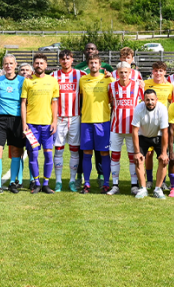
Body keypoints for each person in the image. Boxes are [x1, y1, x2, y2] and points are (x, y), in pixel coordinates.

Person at [21, 54, 60, 193]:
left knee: (49, 155)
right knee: (34, 154)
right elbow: (23, 103)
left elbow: (54, 103)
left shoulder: (53, 81)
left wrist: (54, 121)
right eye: (36, 63)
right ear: (33, 65)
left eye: (41, 63)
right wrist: (24, 123)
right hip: (32, 125)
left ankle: (46, 183)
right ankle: (36, 182)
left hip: (47, 125)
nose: (39, 65)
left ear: (46, 65)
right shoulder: (28, 81)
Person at [78, 54, 114, 194]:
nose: (93, 65)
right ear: (88, 65)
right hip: (86, 121)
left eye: (96, 63)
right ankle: (86, 184)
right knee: (87, 153)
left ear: (100, 65)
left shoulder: (109, 79)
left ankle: (105, 183)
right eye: (91, 63)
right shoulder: (83, 80)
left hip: (103, 121)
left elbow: (113, 98)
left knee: (104, 153)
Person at [0, 54, 27, 194]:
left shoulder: (23, 81)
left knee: (16, 152)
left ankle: (13, 182)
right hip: (0, 120)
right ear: (3, 65)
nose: (8, 66)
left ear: (16, 64)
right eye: (6, 63)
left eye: (11, 63)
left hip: (17, 120)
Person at [51, 50, 85, 192]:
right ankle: (58, 181)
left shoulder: (80, 75)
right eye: (63, 59)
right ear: (60, 61)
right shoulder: (53, 76)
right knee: (58, 149)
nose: (65, 61)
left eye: (68, 58)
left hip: (75, 117)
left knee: (74, 149)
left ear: (72, 60)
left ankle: (72, 180)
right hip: (59, 118)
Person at [107, 62, 144, 194]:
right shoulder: (111, 86)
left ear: (130, 72)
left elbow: (144, 103)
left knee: (132, 156)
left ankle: (134, 185)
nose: (123, 75)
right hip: (116, 127)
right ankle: (115, 185)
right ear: (117, 73)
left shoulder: (137, 85)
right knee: (115, 155)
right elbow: (109, 102)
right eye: (121, 72)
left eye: (126, 72)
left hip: (132, 128)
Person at [131, 89, 171, 199]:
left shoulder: (162, 109)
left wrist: (164, 153)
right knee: (138, 159)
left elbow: (165, 132)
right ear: (143, 100)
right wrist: (137, 152)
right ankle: (143, 188)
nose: (150, 102)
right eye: (147, 100)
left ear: (156, 100)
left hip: (158, 137)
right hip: (142, 137)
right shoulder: (139, 108)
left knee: (163, 160)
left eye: (152, 99)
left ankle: (158, 189)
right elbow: (134, 130)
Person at [142, 61, 174, 189]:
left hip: (163, 124)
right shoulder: (145, 84)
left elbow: (173, 104)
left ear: (165, 72)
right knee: (148, 154)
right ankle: (150, 180)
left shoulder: (169, 86)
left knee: (163, 153)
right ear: (152, 71)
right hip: (148, 122)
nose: (158, 73)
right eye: (155, 70)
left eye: (160, 71)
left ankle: (162, 182)